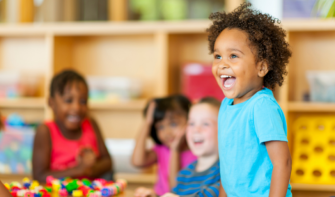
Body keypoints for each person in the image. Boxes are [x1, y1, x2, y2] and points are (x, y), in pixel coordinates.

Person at [207, 3, 292, 197]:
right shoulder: (226, 106)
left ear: (261, 68)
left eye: (233, 56)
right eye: (218, 56)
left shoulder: (262, 106)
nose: (222, 64)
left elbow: (283, 162)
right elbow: (228, 167)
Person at [32, 70, 113, 182]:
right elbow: (39, 176)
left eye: (83, 101)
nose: (77, 108)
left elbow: (108, 162)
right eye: (68, 100)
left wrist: (91, 167)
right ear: (51, 103)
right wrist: (78, 170)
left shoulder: (91, 124)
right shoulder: (45, 131)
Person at [135, 97, 221, 197]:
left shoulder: (226, 170)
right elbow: (174, 194)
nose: (196, 130)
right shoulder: (184, 174)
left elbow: (214, 194)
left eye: (205, 124)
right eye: (191, 124)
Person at [132, 95, 196, 196]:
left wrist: (175, 150)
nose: (167, 132)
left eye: (173, 124)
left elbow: (174, 190)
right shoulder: (161, 150)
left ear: (190, 121)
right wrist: (147, 123)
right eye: (160, 127)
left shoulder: (198, 153)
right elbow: (137, 161)